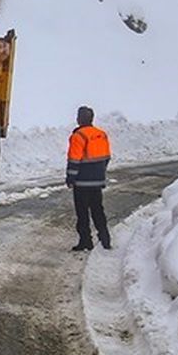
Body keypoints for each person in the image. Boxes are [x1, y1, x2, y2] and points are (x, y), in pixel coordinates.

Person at [66, 105, 112, 251]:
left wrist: (70, 178)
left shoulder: (78, 136)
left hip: (82, 183)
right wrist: (99, 173)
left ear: (79, 119)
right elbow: (106, 157)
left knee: (82, 213)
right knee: (98, 210)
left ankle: (86, 241)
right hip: (97, 182)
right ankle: (105, 239)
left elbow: (74, 160)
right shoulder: (101, 134)